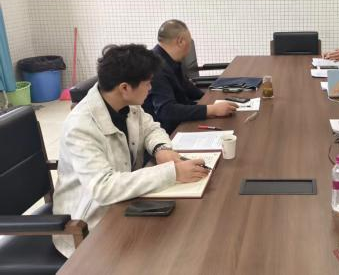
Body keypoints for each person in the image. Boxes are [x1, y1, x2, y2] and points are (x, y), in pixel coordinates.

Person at [53, 44, 209, 257]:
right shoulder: (81, 126)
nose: (151, 88)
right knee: (172, 250)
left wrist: (161, 149)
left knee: (185, 232)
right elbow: (104, 188)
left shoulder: (126, 104)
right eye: (147, 83)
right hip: (87, 225)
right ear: (125, 87)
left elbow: (151, 128)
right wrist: (172, 172)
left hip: (125, 203)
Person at [143, 20, 237, 135]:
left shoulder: (168, 59)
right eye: (189, 40)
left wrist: (211, 99)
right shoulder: (155, 67)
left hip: (183, 118)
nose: (190, 46)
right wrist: (212, 109)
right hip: (168, 132)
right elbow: (166, 111)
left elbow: (186, 86)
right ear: (181, 41)